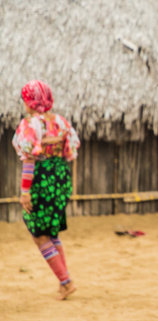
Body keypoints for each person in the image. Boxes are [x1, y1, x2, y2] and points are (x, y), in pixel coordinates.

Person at [12, 80, 80, 300]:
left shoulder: (30, 125)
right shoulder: (61, 122)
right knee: (50, 232)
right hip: (60, 177)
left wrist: (25, 191)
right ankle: (64, 281)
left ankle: (66, 282)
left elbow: (30, 160)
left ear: (30, 102)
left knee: (39, 234)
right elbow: (69, 152)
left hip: (42, 178)